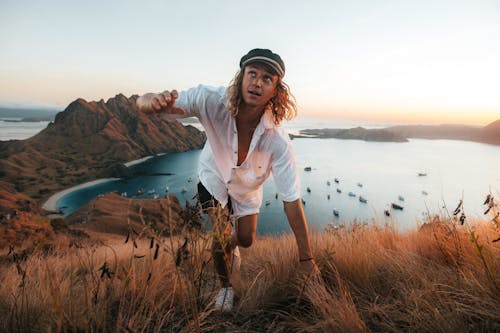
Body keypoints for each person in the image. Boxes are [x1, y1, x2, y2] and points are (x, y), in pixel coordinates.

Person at [137, 48, 319, 311]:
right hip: (213, 177)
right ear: (241, 76)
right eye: (252, 73)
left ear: (276, 91)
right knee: (221, 238)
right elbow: (149, 104)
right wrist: (151, 99)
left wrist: (307, 258)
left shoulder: (277, 141)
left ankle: (231, 248)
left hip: (246, 190)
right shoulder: (211, 100)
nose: (257, 82)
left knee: (245, 239)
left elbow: (291, 200)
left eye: (267, 78)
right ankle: (226, 288)